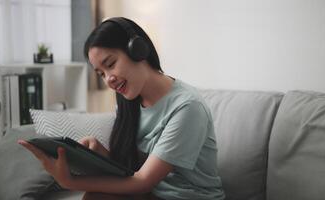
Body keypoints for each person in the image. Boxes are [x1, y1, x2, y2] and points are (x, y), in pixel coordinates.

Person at [18, 17, 225, 200]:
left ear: (138, 50)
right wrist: (99, 153)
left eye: (110, 64)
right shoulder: (129, 102)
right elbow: (134, 172)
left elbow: (143, 181)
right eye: (101, 73)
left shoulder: (187, 107)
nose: (109, 79)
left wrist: (69, 182)